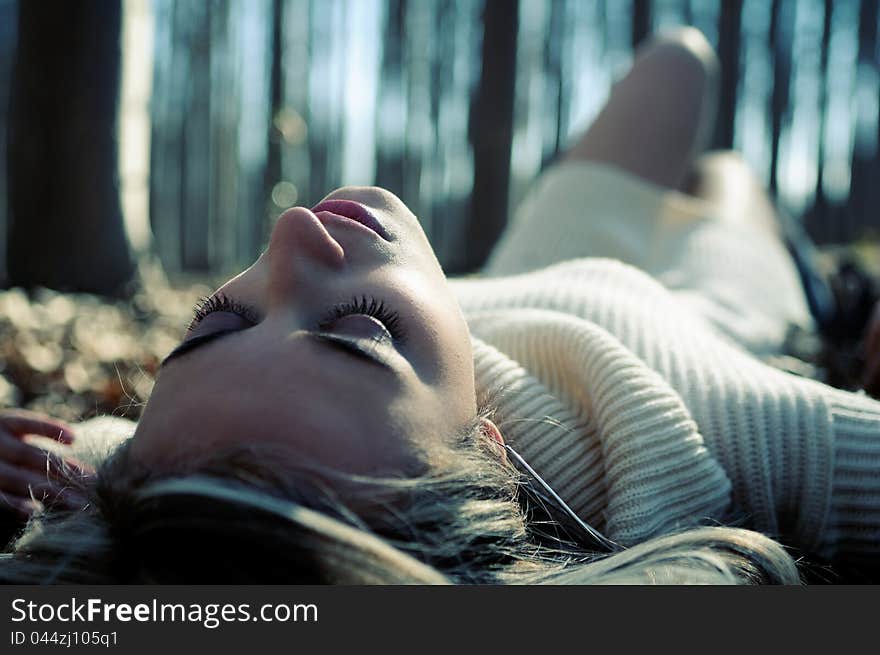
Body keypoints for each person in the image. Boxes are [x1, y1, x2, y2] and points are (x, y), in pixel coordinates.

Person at [0, 28, 873, 584]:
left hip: (528, 265)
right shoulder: (696, 439)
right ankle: (809, 268)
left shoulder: (175, 486)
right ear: (490, 449)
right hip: (703, 299)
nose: (294, 237)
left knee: (680, 59)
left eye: (217, 325)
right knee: (727, 180)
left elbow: (121, 472)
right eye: (365, 329)